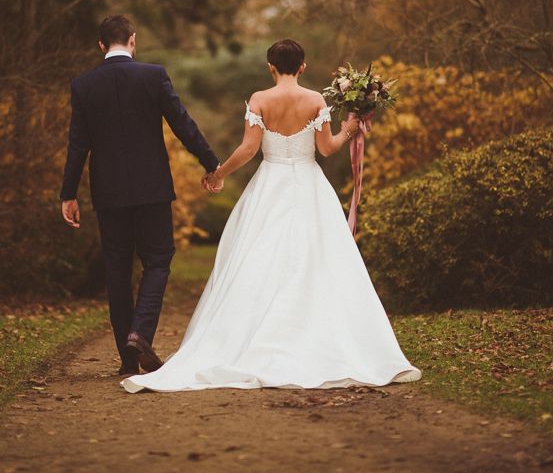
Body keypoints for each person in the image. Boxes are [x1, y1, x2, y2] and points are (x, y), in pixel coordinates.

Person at [121, 39, 422, 392]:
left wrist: (218, 173)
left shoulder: (260, 99)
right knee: (319, 261)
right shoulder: (315, 100)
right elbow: (326, 148)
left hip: (269, 185)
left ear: (271, 67)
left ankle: (246, 338)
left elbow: (249, 149)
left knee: (258, 259)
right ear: (304, 67)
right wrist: (348, 129)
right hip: (310, 185)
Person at [60, 15, 220, 377]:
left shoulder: (83, 85)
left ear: (101, 45)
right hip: (151, 189)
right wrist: (211, 163)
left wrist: (67, 194)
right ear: (132, 40)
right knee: (159, 260)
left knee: (117, 271)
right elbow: (183, 124)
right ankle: (140, 333)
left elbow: (77, 145)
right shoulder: (153, 75)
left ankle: (127, 359)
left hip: (109, 193)